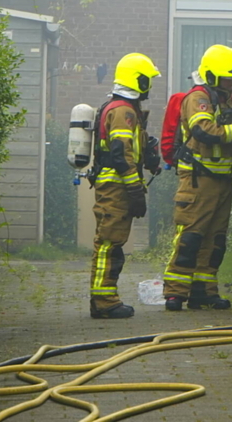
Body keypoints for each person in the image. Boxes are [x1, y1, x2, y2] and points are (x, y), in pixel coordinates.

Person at [162, 44, 232, 310]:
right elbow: (203, 130)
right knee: (191, 235)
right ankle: (175, 292)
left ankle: (204, 290)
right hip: (198, 178)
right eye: (228, 76)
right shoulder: (199, 98)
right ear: (213, 75)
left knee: (215, 239)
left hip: (224, 180)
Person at [89, 52, 162, 319]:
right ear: (137, 79)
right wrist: (134, 190)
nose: (150, 85)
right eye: (148, 79)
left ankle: (103, 299)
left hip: (115, 186)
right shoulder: (123, 112)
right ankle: (104, 301)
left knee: (110, 243)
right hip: (116, 188)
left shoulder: (122, 108)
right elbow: (120, 155)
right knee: (110, 244)